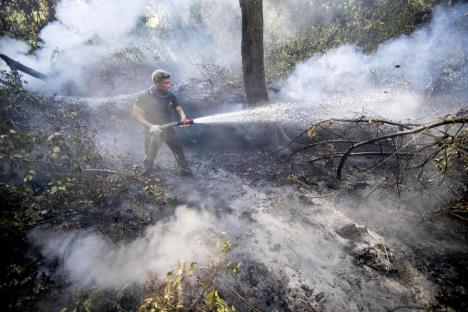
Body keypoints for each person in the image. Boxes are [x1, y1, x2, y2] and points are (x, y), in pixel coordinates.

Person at [131, 69, 192, 176]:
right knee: (149, 155)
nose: (169, 85)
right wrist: (151, 126)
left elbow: (179, 109)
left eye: (169, 82)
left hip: (168, 131)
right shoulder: (145, 97)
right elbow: (135, 115)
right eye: (166, 83)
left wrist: (183, 118)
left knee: (179, 151)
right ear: (157, 82)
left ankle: (185, 172)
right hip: (152, 132)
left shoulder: (170, 96)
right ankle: (147, 173)